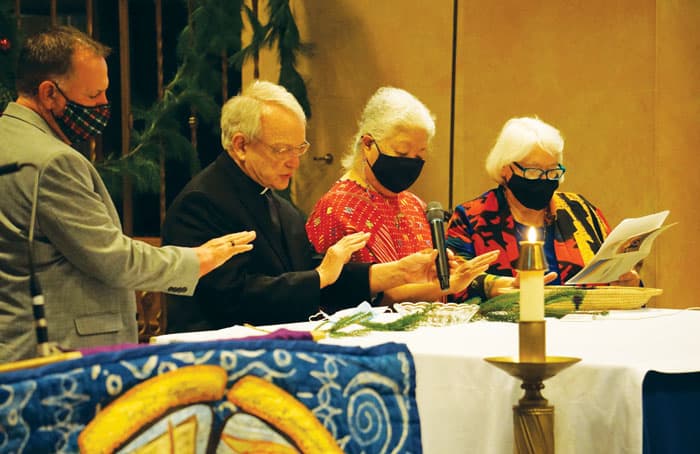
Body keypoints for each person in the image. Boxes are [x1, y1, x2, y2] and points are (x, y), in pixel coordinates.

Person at [0, 26, 254, 363]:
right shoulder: (53, 161)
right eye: (93, 96)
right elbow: (112, 259)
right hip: (62, 353)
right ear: (49, 93)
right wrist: (197, 260)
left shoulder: (9, 138)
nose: (105, 105)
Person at [162, 81, 445, 333]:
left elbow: (317, 274)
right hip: (212, 359)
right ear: (240, 145)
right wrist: (319, 276)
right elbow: (231, 297)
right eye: (282, 149)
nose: (295, 162)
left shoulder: (281, 208)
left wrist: (399, 272)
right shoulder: (201, 203)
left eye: (300, 149)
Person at [306, 87, 498, 304]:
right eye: (402, 153)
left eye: (419, 155)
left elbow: (432, 279)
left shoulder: (415, 204)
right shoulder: (336, 208)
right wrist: (443, 287)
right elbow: (340, 295)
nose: (411, 163)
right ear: (368, 144)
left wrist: (457, 277)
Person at [446, 116, 641, 301]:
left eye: (552, 171)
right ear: (506, 168)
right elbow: (454, 281)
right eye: (533, 171)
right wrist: (503, 285)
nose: (544, 179)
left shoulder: (581, 211)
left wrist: (629, 282)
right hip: (506, 329)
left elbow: (612, 269)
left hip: (585, 326)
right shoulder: (472, 217)